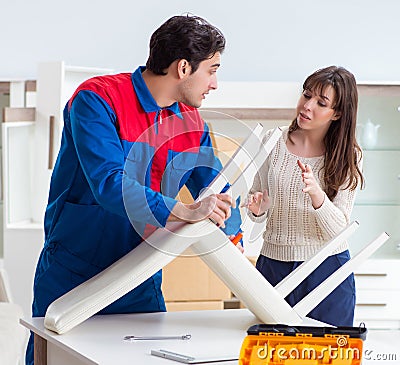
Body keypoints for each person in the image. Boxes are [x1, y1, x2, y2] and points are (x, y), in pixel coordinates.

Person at [26, 14, 242, 364]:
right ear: (184, 68)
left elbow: (215, 186)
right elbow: (110, 184)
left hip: (139, 276)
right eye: (212, 70)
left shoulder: (188, 120)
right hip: (75, 270)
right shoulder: (96, 100)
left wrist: (234, 231)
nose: (215, 83)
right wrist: (184, 210)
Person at [245, 66, 364, 327]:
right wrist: (257, 209)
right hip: (273, 266)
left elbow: (339, 229)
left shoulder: (349, 157)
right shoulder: (272, 141)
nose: (307, 106)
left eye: (321, 102)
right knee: (271, 353)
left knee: (327, 355)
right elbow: (256, 207)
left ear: (338, 113)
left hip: (327, 270)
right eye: (306, 95)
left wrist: (317, 195)